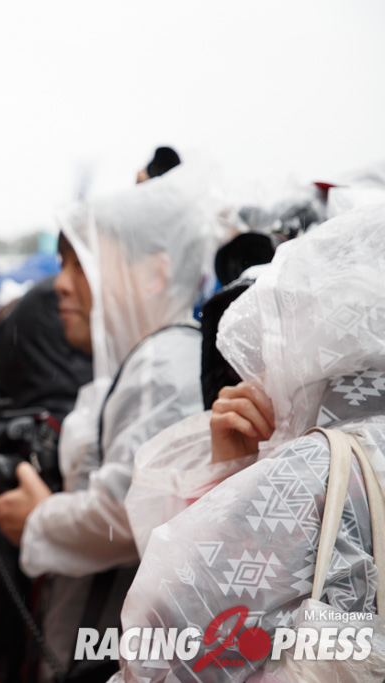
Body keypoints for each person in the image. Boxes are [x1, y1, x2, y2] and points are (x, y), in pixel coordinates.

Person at [117, 202, 385, 681]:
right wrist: (233, 472)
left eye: (267, 349)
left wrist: (236, 487)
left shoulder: (311, 474)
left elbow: (163, 651)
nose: (251, 375)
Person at [0, 167, 214, 681]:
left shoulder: (161, 366)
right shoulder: (145, 363)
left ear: (153, 274)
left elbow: (130, 515)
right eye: (63, 263)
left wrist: (38, 517)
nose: (61, 284)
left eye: (82, 263)